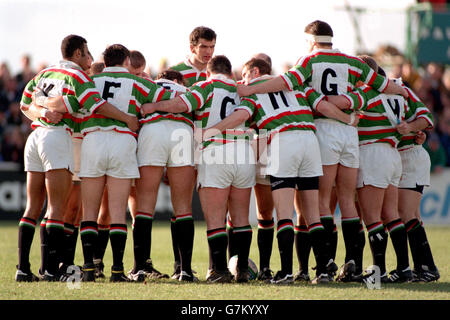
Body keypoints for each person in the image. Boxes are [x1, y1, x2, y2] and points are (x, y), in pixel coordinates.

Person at [237, 20, 408, 281]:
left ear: (311, 40)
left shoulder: (308, 61)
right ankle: (352, 261)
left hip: (323, 131)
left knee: (320, 203)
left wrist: (250, 88)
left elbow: (285, 82)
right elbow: (382, 85)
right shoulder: (353, 61)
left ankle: (325, 265)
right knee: (349, 203)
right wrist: (401, 92)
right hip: (349, 135)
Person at [209, 58, 359, 284]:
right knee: (313, 215)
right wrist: (347, 119)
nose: (243, 80)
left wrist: (212, 130)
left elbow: (240, 117)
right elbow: (323, 106)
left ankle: (286, 272)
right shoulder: (296, 85)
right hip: (309, 140)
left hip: (283, 140)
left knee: (284, 214)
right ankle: (322, 272)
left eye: (245, 75)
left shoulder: (253, 93)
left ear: (254, 72)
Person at [16, 34, 138, 282]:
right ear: (78, 53)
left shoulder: (44, 74)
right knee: (57, 209)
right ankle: (52, 269)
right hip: (59, 138)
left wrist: (43, 108)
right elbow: (97, 106)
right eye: (87, 51)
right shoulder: (78, 77)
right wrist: (127, 118)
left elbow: (24, 104)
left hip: (35, 137)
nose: (90, 55)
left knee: (33, 206)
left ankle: (24, 268)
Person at [142, 55, 254, 283]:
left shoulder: (205, 85)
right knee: (241, 217)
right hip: (244, 153)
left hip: (215, 152)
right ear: (231, 73)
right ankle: (241, 269)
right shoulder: (242, 89)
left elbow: (182, 104)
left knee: (215, 219)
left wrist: (154, 106)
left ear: (208, 72)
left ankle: (219, 271)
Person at [348, 56, 413, 283]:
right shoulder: (396, 93)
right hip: (392, 154)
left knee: (373, 219)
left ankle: (378, 272)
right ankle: (404, 268)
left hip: (372, 153)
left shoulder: (367, 94)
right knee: (391, 215)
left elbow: (347, 109)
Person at [131, 67, 196, 282]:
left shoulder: (149, 85)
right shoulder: (187, 91)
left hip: (153, 130)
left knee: (145, 205)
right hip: (182, 132)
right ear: (177, 79)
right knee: (183, 207)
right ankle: (185, 270)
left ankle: (139, 268)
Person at [396, 85, 440, 282]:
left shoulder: (400, 90)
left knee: (407, 215)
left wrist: (412, 129)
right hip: (402, 157)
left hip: (411, 157)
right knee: (411, 215)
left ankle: (428, 267)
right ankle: (421, 267)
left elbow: (427, 118)